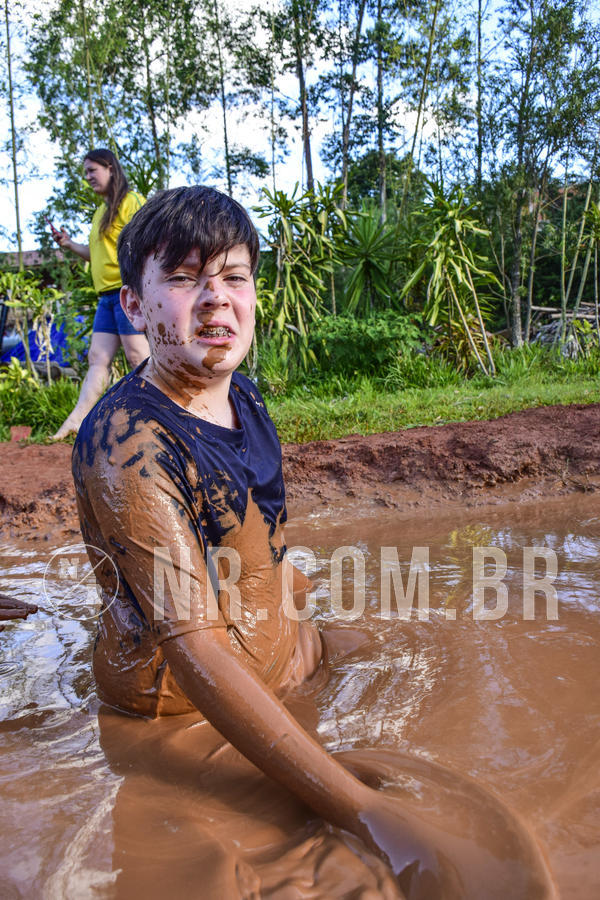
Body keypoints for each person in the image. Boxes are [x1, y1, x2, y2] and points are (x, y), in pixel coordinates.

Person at [71, 186, 556, 897]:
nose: (216, 300)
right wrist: (366, 812)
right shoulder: (129, 443)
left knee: (409, 645)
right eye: (182, 278)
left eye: (235, 277)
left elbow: (258, 544)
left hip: (275, 650)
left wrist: (306, 611)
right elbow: (194, 644)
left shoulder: (245, 395)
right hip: (179, 705)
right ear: (135, 305)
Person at [51, 148, 149, 440]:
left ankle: (160, 417)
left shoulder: (132, 203)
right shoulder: (100, 212)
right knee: (97, 358)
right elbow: (96, 256)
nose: (88, 177)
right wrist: (68, 244)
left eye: (92, 170)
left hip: (127, 292)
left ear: (110, 168)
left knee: (136, 355)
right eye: (86, 173)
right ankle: (76, 422)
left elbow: (149, 243)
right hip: (106, 297)